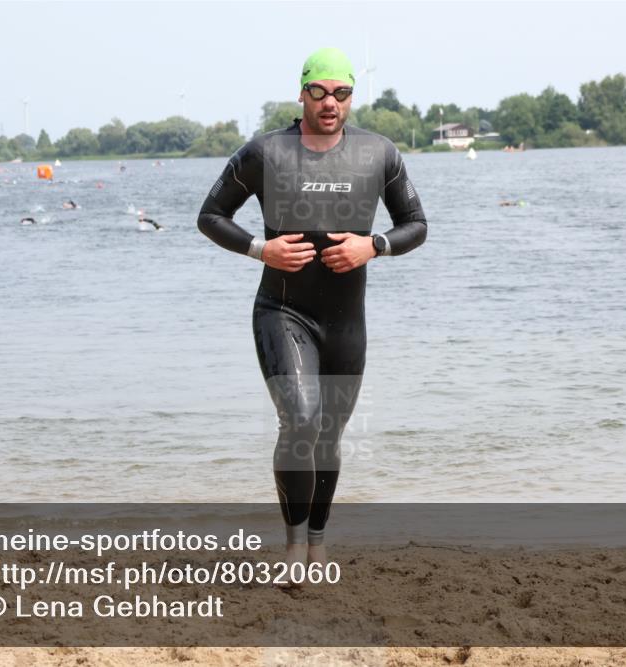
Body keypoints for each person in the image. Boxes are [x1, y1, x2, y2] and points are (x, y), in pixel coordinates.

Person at [196, 47, 427, 573]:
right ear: (301, 93)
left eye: (341, 92)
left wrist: (376, 246)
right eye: (319, 91)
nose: (330, 102)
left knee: (327, 436)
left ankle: (317, 543)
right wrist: (261, 248)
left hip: (346, 321)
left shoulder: (379, 153)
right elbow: (210, 215)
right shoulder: (265, 152)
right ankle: (293, 545)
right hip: (283, 311)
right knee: (299, 420)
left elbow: (416, 224)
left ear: (351, 97)